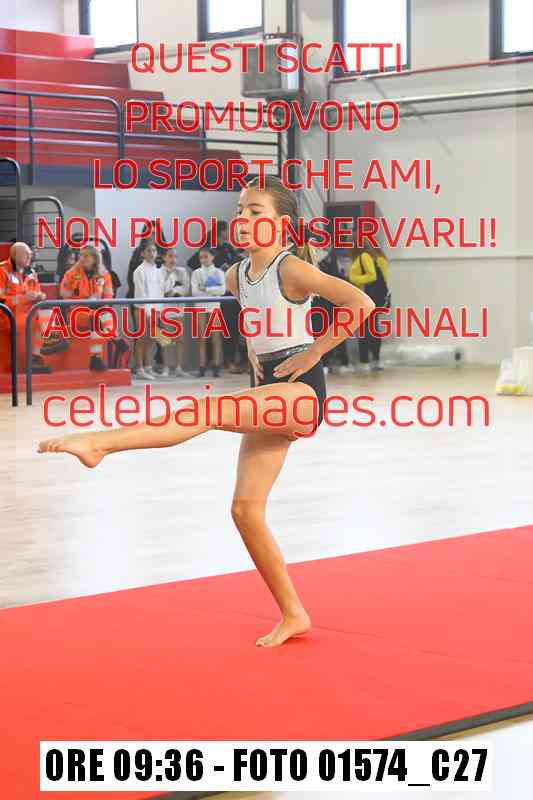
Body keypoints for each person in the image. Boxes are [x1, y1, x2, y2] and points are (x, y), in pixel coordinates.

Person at [37, 176, 375, 648]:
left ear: (281, 224)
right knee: (245, 510)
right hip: (268, 390)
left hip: (301, 392)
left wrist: (316, 351)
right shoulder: (237, 276)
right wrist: (256, 363)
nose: (244, 219)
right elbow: (261, 331)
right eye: (240, 211)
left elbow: (361, 302)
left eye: (256, 212)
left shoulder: (291, 268)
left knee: (207, 409)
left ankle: (99, 444)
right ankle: (294, 613)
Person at [60, 245, 126, 372]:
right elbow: (65, 296)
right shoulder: (71, 274)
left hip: (98, 313)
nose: (81, 258)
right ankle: (115, 339)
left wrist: (99, 304)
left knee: (102, 315)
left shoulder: (104, 275)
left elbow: (109, 297)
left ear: (95, 259)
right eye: (80, 255)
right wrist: (87, 302)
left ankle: (96, 358)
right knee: (99, 318)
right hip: (77, 314)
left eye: (86, 256)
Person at [0, 242, 58, 374]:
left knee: (46, 309)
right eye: (26, 254)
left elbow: (38, 292)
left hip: (27, 314)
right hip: (7, 316)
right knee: (40, 317)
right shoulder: (2, 271)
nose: (30, 256)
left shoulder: (31, 273)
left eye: (30, 254)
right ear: (15, 255)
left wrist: (39, 296)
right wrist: (24, 298)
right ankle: (50, 342)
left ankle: (36, 358)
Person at [348, 244, 390, 372]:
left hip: (366, 298)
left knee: (366, 331)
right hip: (370, 298)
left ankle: (365, 360)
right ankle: (374, 360)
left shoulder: (364, 256)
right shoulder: (375, 258)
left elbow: (372, 276)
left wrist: (353, 279)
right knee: (371, 330)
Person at [190, 247, 225, 378]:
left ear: (212, 257)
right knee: (201, 337)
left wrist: (205, 289)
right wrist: (213, 290)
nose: (203, 260)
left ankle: (216, 365)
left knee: (216, 337)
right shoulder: (196, 273)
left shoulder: (219, 272)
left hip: (214, 306)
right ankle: (202, 366)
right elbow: (194, 292)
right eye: (201, 257)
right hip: (200, 306)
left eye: (206, 257)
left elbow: (222, 290)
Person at [132, 239, 163, 381]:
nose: (152, 253)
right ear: (142, 253)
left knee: (151, 338)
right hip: (142, 308)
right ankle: (139, 368)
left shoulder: (158, 271)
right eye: (148, 251)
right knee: (141, 338)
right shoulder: (139, 271)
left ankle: (148, 366)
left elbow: (160, 291)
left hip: (155, 309)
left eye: (154, 250)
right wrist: (148, 312)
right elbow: (141, 293)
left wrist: (158, 310)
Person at [158, 248, 191, 378]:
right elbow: (162, 290)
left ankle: (178, 367)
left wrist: (175, 290)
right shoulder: (159, 272)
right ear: (164, 257)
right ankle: (166, 367)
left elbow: (186, 288)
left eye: (175, 256)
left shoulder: (182, 271)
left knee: (180, 339)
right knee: (166, 340)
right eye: (170, 256)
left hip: (179, 309)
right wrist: (171, 282)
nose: (173, 259)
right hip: (165, 309)